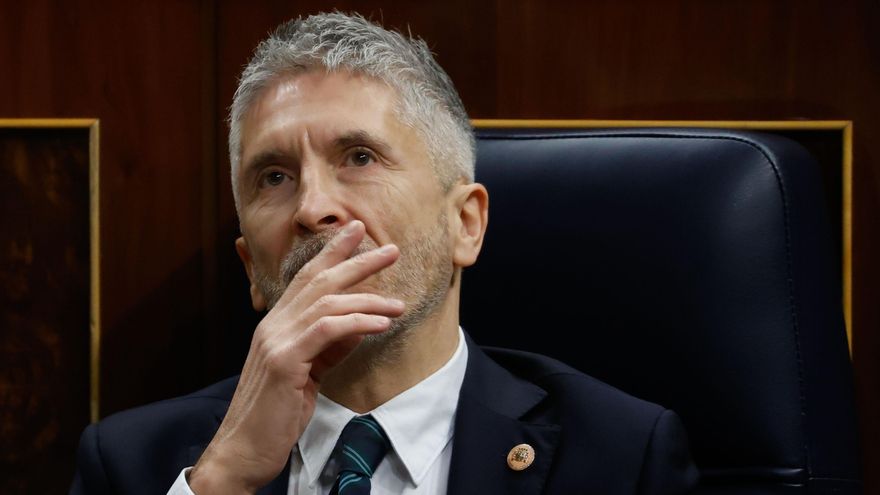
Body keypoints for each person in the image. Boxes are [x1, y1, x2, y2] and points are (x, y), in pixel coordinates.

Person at [71, 12, 699, 495]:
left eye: (359, 158)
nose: (313, 208)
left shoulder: (620, 456)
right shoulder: (131, 465)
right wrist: (223, 478)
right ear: (251, 272)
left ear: (466, 224)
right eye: (273, 176)